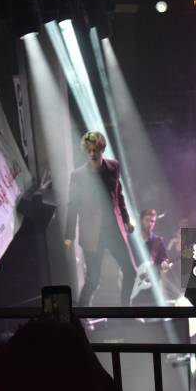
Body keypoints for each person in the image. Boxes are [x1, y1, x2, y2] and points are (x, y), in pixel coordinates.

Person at [65, 131, 136, 306]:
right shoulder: (78, 176)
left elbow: (118, 196)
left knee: (130, 272)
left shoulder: (114, 167)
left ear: (102, 149)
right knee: (93, 280)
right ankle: (81, 318)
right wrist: (69, 235)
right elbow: (72, 205)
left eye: (95, 149)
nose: (92, 153)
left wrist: (126, 219)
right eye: (89, 150)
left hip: (114, 231)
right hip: (92, 233)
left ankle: (127, 312)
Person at [0, 316, 118, 391]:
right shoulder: (79, 382)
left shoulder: (18, 380)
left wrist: (22, 334)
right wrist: (81, 339)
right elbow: (109, 388)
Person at [130, 209, 171, 305]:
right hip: (133, 287)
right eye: (147, 220)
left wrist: (165, 266)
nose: (150, 223)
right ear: (141, 220)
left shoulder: (158, 241)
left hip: (152, 289)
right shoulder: (132, 240)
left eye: (152, 221)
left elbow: (164, 262)